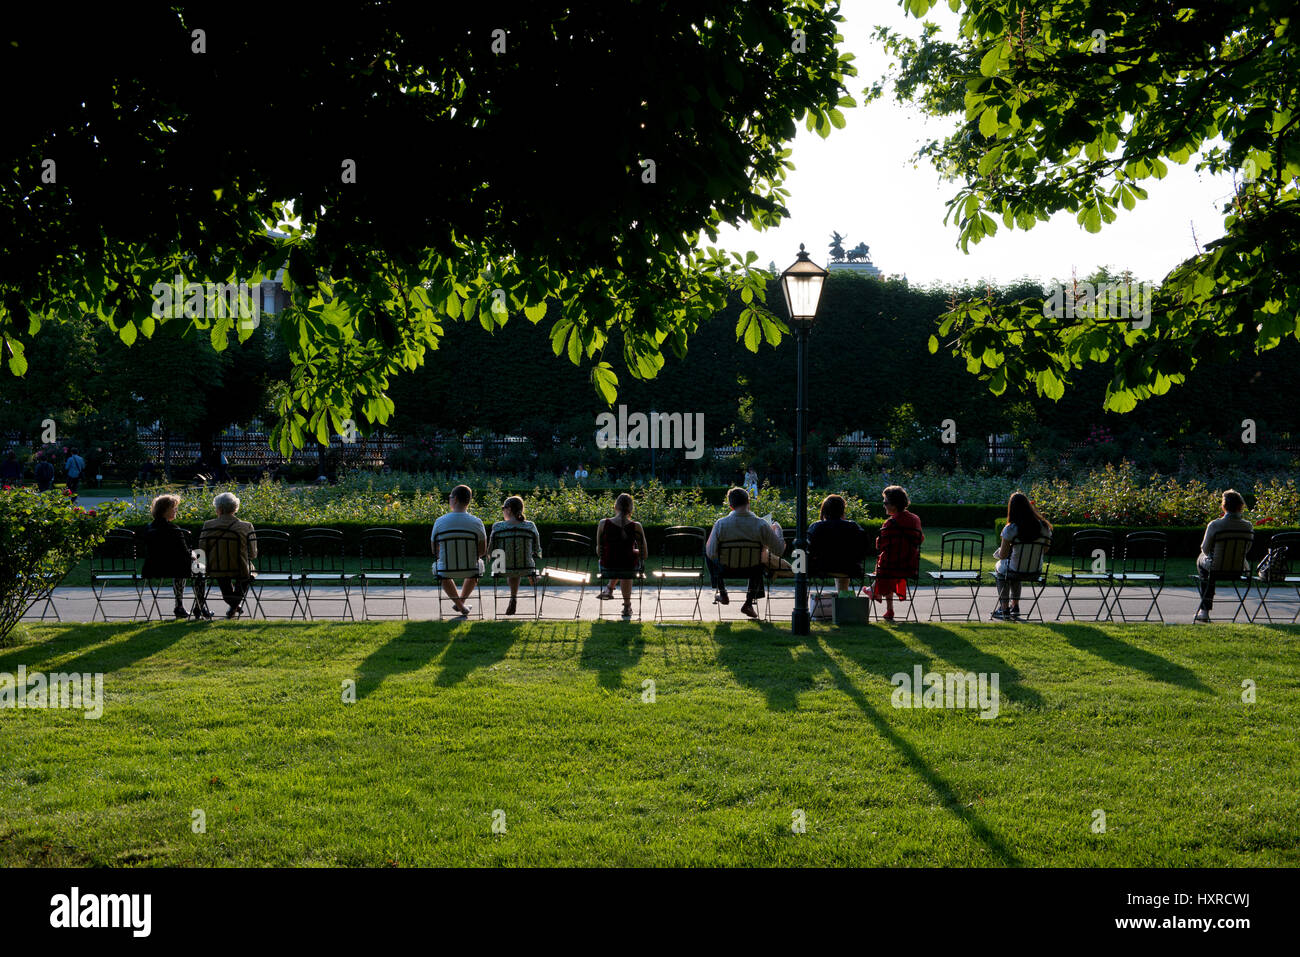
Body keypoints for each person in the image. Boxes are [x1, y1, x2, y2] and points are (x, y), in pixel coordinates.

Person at [704, 486, 784, 619]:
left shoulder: (720, 524)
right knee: (759, 561)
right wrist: (777, 530)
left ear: (731, 506)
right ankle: (748, 602)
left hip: (725, 569)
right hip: (752, 570)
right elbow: (778, 550)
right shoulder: (761, 524)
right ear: (749, 503)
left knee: (706, 551)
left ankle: (722, 593)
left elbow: (711, 553)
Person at [860, 485, 924, 622]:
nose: (884, 505)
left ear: (894, 505)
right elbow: (920, 539)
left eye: (885, 503)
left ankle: (876, 592)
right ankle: (887, 607)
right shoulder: (915, 519)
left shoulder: (890, 523)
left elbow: (880, 545)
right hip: (909, 565)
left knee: (886, 563)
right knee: (889, 564)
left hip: (889, 567)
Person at [1194, 489, 1253, 622]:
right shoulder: (1248, 526)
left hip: (1216, 568)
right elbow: (1246, 549)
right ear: (1240, 506)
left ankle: (1204, 610)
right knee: (1210, 566)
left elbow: (1205, 548)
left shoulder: (1215, 525)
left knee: (1201, 561)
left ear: (1224, 505)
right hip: (1238, 568)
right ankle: (1206, 603)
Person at [992, 491, 1052, 621]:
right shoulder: (1044, 527)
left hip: (1015, 569)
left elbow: (1002, 555)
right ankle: (1015, 606)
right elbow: (1045, 550)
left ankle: (1004, 608)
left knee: (1002, 569)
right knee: (1014, 568)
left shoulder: (1011, 528)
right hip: (1035, 570)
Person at [199, 491, 258, 619]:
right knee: (248, 572)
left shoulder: (208, 525)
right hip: (240, 567)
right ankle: (235, 605)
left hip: (217, 568)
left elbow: (202, 549)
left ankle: (233, 606)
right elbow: (253, 554)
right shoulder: (246, 526)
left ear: (219, 509)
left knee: (224, 578)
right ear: (235, 508)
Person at [431, 484, 487, 616]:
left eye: (450, 497)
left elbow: (434, 550)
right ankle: (462, 605)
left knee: (440, 568)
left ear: (455, 499)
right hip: (471, 569)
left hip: (446, 569)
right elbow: (482, 551)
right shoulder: (477, 522)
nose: (449, 499)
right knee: (478, 565)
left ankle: (460, 605)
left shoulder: (440, 521)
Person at [141, 494, 199, 620]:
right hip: (175, 569)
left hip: (152, 569)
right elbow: (185, 553)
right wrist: (194, 554)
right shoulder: (174, 529)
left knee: (182, 566)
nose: (176, 510)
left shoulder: (148, 528)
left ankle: (181, 606)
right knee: (199, 566)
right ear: (165, 510)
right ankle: (199, 607)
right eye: (174, 508)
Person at [596, 493, 649, 618]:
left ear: (615, 507)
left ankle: (609, 588)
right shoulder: (636, 526)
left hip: (607, 567)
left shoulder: (603, 523)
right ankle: (626, 606)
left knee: (620, 560)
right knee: (627, 562)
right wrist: (634, 552)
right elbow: (645, 554)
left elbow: (599, 552)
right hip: (628, 567)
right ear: (631, 509)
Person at [488, 495, 542, 616]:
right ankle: (534, 578)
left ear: (509, 509)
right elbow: (537, 549)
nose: (502, 511)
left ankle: (513, 597)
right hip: (526, 567)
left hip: (502, 568)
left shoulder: (498, 527)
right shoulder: (530, 526)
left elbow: (491, 550)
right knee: (521, 562)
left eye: (503, 508)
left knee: (510, 563)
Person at [808, 493, 867, 596]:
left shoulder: (816, 526)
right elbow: (864, 547)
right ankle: (842, 599)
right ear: (842, 510)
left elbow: (809, 549)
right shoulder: (853, 527)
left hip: (822, 567)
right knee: (843, 563)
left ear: (824, 510)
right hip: (849, 567)